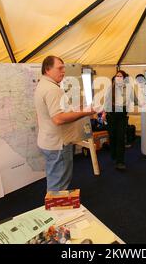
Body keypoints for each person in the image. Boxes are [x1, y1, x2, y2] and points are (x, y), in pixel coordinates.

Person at [34, 56, 94, 191]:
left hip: (48, 141)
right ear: (47, 69)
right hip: (58, 144)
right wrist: (85, 112)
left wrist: (77, 110)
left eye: (64, 68)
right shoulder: (52, 89)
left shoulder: (42, 85)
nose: (63, 71)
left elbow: (53, 114)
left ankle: (53, 206)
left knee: (54, 178)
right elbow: (59, 119)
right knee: (59, 186)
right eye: (59, 68)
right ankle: (56, 210)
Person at [102, 70, 132, 170]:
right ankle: (114, 153)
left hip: (122, 116)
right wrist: (104, 113)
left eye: (121, 76)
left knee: (120, 138)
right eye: (117, 76)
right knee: (113, 136)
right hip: (111, 115)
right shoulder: (111, 87)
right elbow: (106, 101)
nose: (118, 78)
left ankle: (120, 161)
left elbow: (133, 100)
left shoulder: (128, 89)